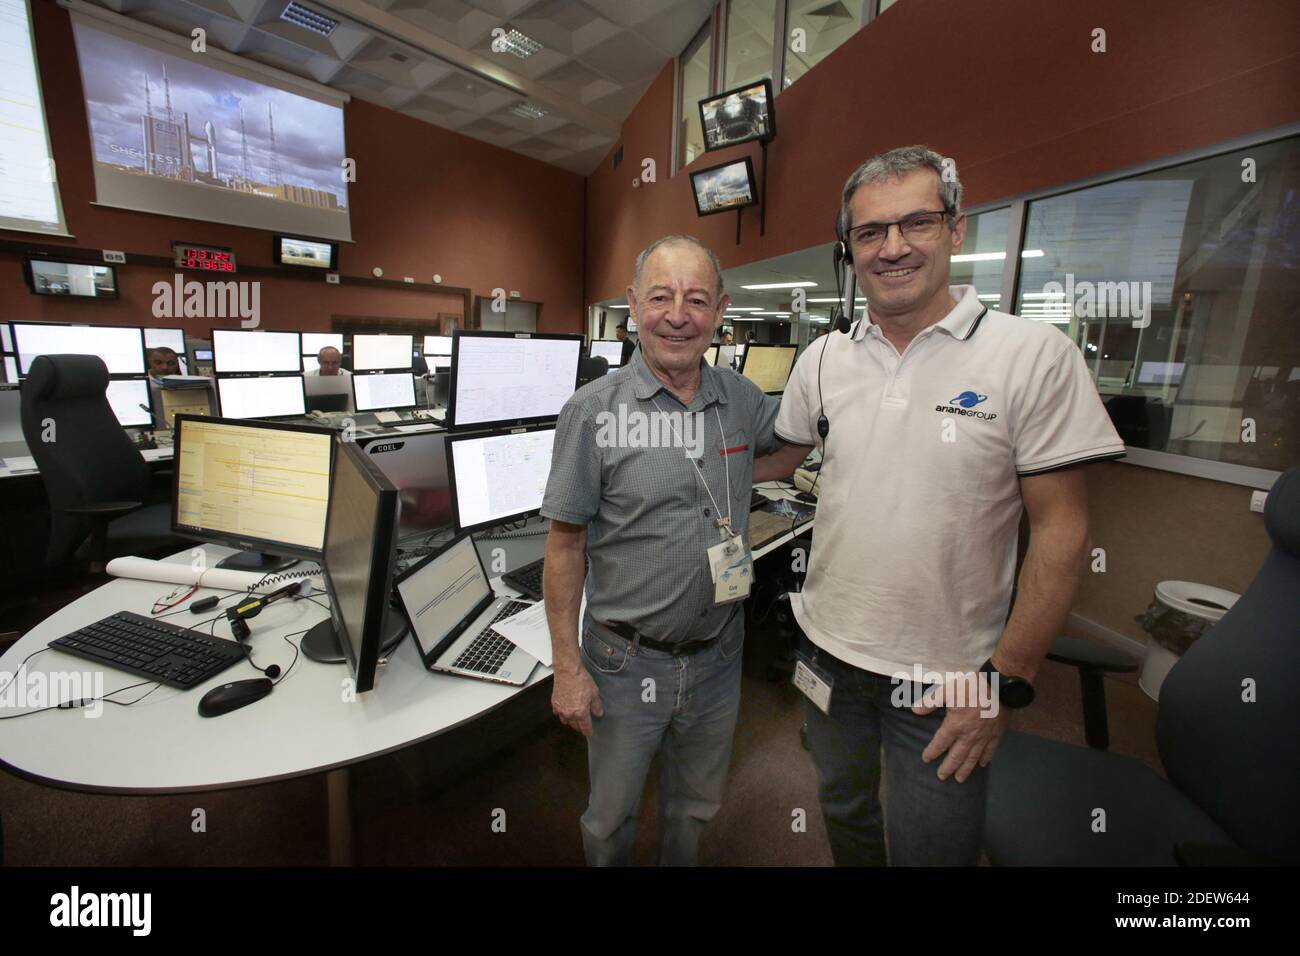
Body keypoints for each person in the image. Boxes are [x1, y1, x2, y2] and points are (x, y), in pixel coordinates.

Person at [753, 145, 1125, 866]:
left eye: (915, 223)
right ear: (849, 248)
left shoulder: (1033, 355)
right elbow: (779, 461)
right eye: (869, 232)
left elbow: (1062, 531)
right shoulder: (824, 359)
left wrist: (1005, 681)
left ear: (955, 231)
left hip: (949, 675)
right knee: (843, 808)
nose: (892, 247)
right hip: (827, 648)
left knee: (935, 846)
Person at [543, 235, 781, 866]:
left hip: (719, 653)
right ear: (631, 305)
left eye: (697, 300)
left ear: (721, 311)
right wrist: (567, 669)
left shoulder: (741, 399)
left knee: (696, 806)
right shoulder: (592, 411)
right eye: (661, 297)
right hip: (625, 663)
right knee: (611, 818)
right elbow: (565, 546)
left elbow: (781, 447)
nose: (679, 315)